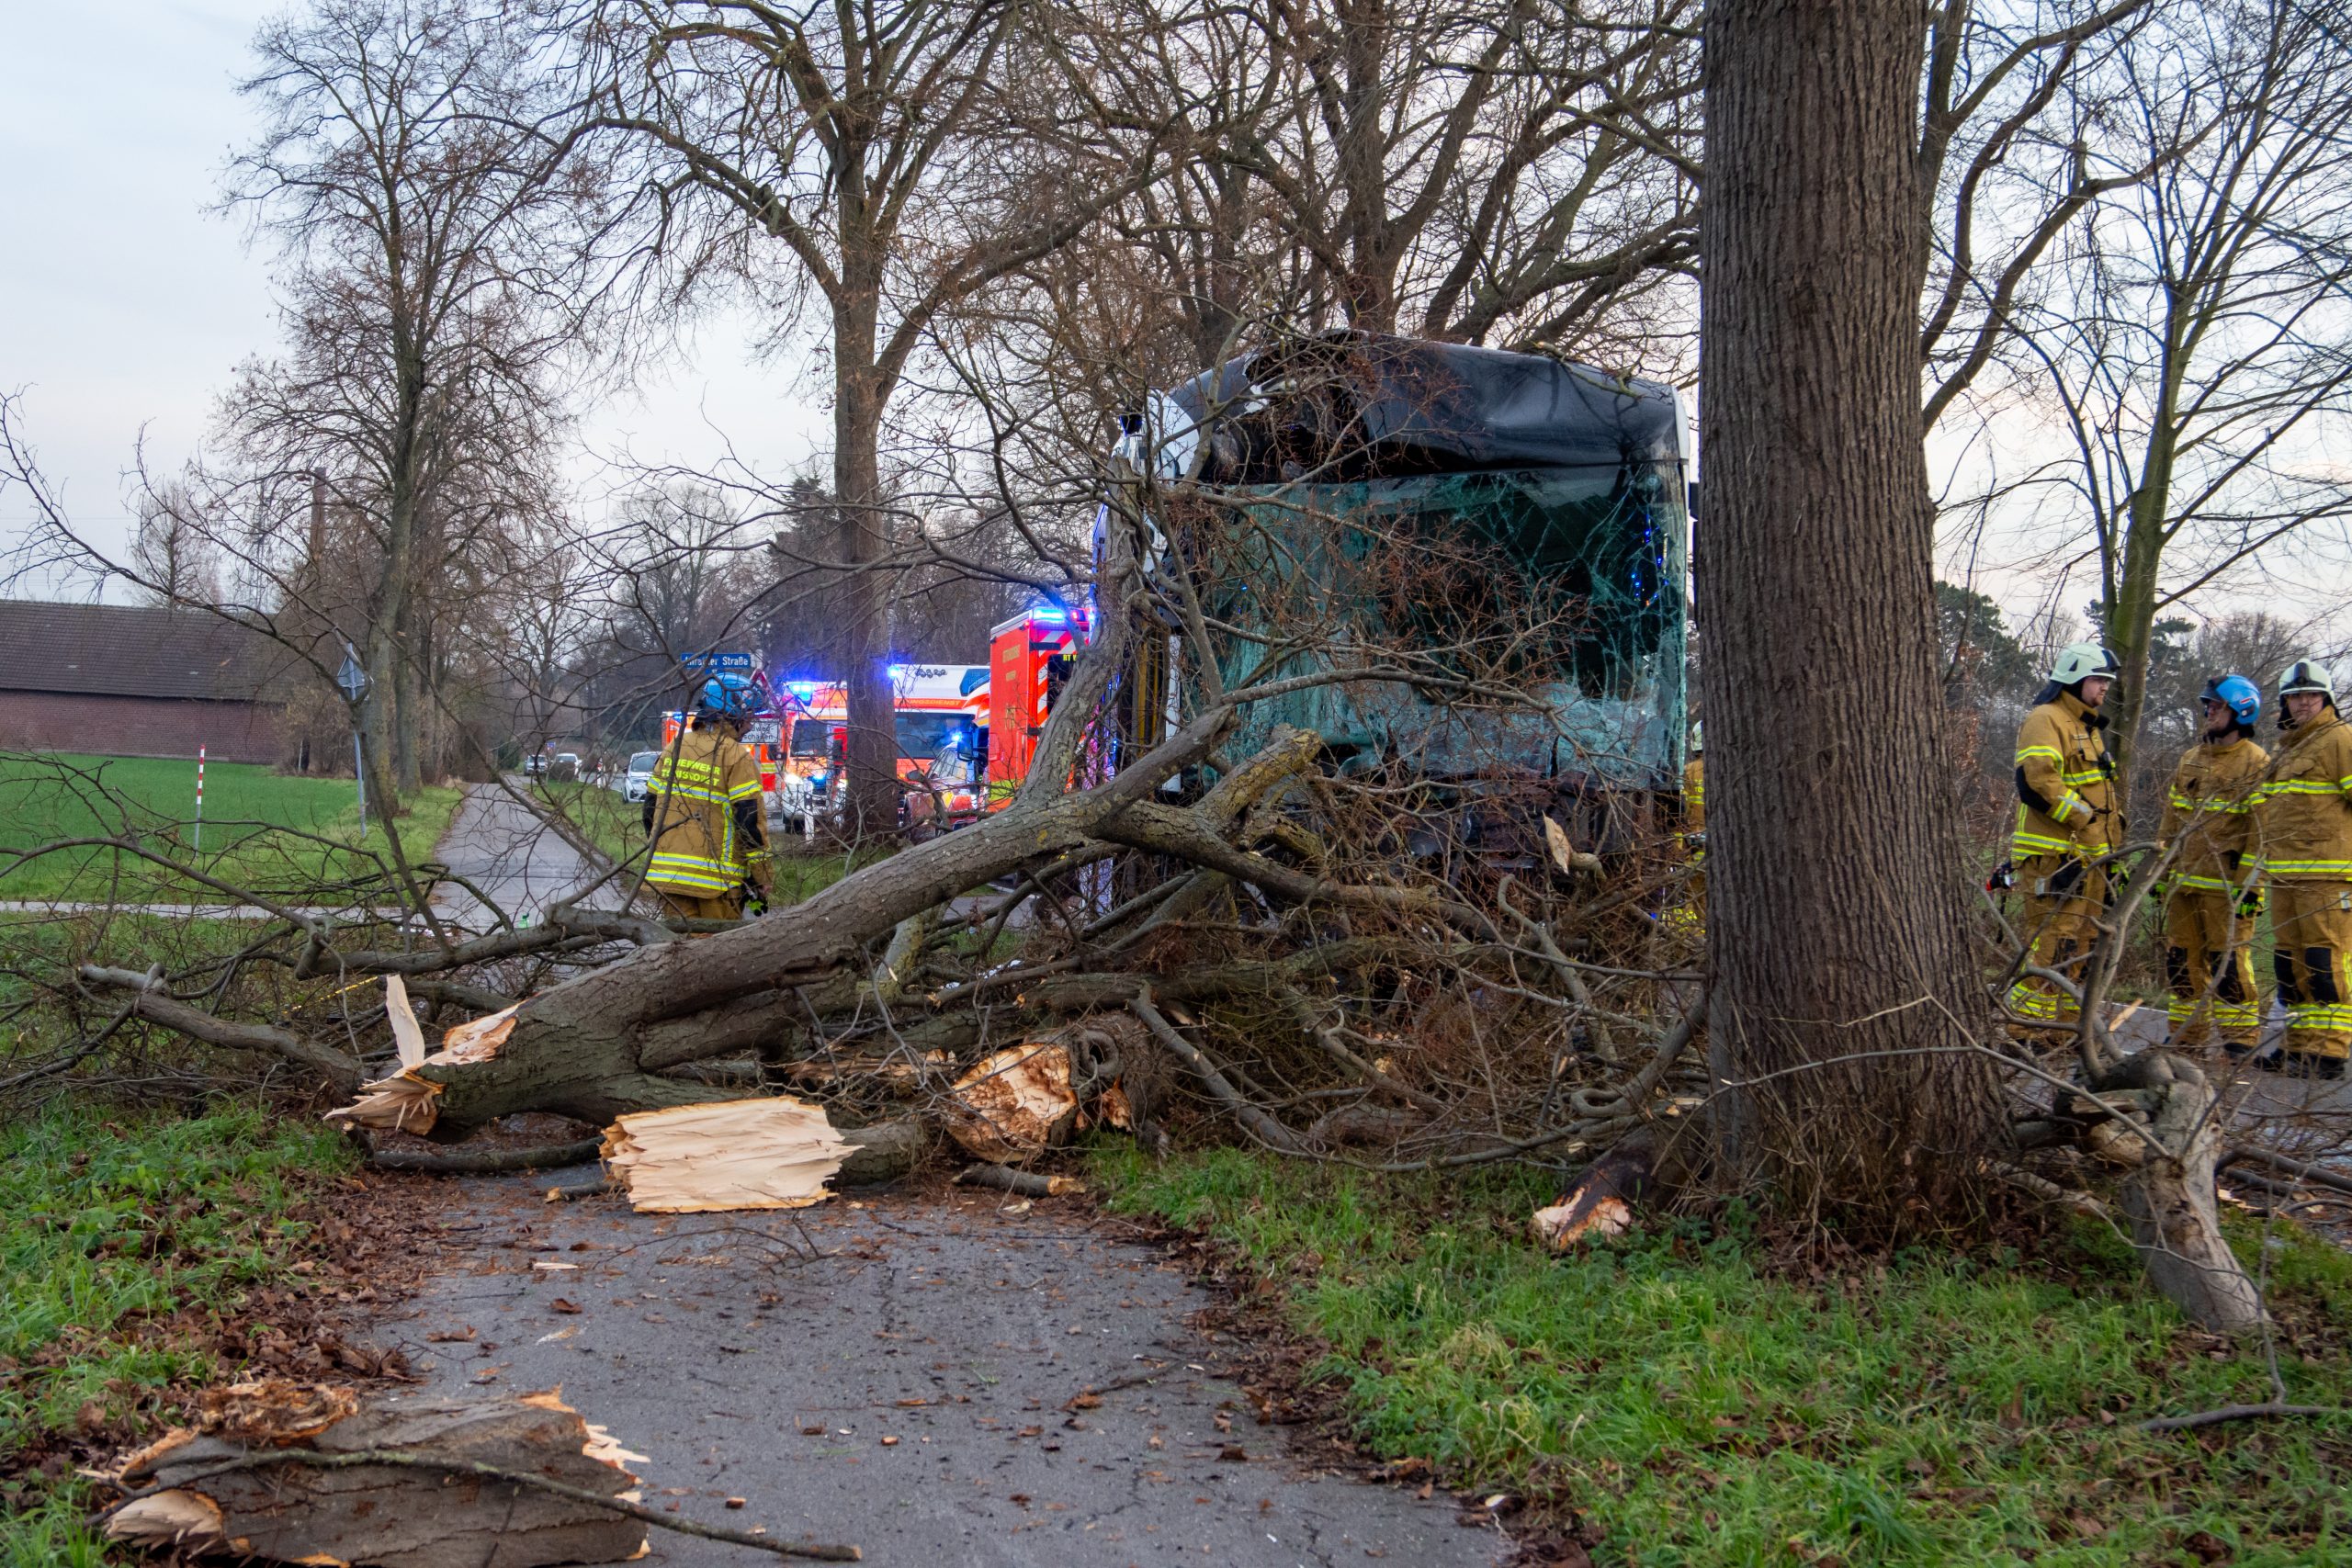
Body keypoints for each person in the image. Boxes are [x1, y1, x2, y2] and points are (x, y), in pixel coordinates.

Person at [2005, 643, 2120, 1036]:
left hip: (2090, 859)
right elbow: (2036, 782)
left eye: (2106, 681)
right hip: (2056, 856)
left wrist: (2110, 853)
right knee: (2052, 944)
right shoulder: (2046, 718)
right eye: (2098, 679)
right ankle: (2025, 1031)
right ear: (2074, 677)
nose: (2104, 688)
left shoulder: (2086, 727)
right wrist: (2084, 818)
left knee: (2083, 949)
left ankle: (2067, 1033)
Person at [2154, 675, 2267, 1057]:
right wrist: (2159, 872)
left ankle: (2239, 1039)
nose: (2208, 712)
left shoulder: (2257, 763)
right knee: (2180, 964)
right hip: (2185, 887)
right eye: (2208, 705)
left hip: (2227, 892)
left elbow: (2260, 834)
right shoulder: (2191, 759)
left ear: (2241, 711)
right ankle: (2187, 1035)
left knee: (2229, 965)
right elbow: (2171, 822)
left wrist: (2251, 888)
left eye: (2216, 707)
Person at [2252, 657, 2352, 1079]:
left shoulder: (2339, 739)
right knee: (2289, 965)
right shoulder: (2288, 748)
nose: (2302, 703)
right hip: (2286, 875)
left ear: (2325, 697)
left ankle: (2328, 1053)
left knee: (2323, 961)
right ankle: (2297, 1049)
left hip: (2328, 877)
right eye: (2294, 696)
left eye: (2310, 695)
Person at [643, 673, 772, 921]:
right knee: (715, 954)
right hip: (718, 885)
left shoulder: (675, 746)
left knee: (678, 952)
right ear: (732, 714)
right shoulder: (736, 757)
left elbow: (649, 811)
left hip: (670, 880)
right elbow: (750, 823)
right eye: (748, 718)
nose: (750, 725)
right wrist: (762, 877)